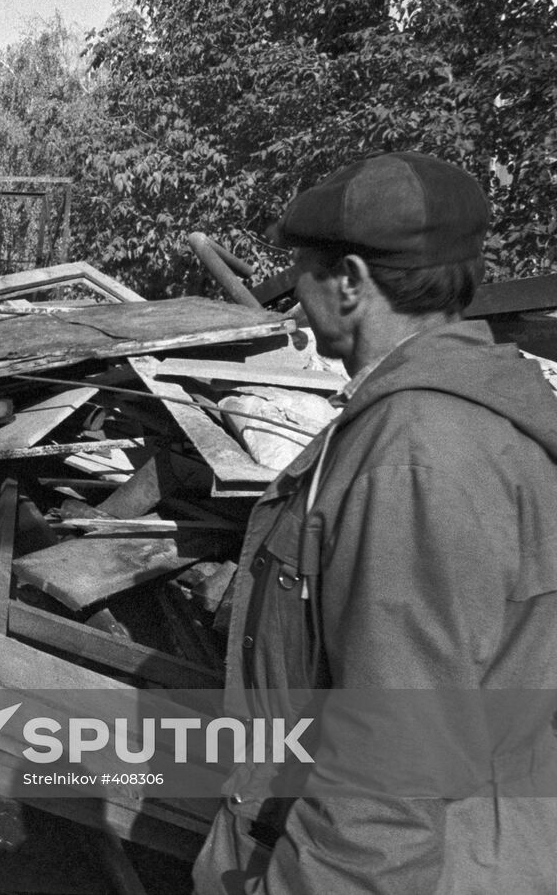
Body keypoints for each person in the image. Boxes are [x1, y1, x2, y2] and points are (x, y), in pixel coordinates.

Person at [193, 152, 557, 893]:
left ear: (352, 283)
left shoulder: (418, 455)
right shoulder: (471, 417)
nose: (294, 290)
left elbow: (391, 765)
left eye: (304, 268)